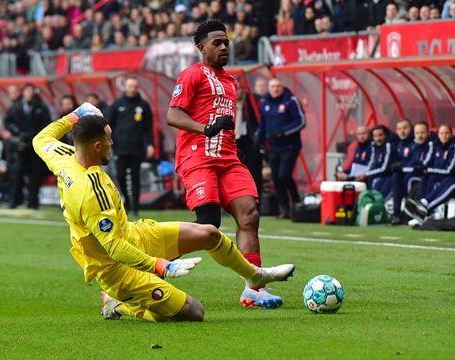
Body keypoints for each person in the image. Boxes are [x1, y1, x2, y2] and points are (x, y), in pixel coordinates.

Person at [32, 102, 295, 321]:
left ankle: (254, 275)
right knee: (194, 312)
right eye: (109, 139)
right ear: (97, 146)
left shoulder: (62, 155)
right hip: (117, 269)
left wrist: (74, 115)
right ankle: (119, 303)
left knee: (210, 234)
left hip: (135, 234)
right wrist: (163, 266)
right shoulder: (90, 191)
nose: (113, 143)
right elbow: (115, 249)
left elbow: (41, 138)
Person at [167, 20, 294, 308]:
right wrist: (206, 128)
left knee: (249, 215)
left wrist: (233, 144)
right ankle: (146, 268)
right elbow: (173, 115)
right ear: (201, 47)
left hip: (228, 158)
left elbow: (225, 120)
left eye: (226, 42)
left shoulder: (230, 81)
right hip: (198, 156)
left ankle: (253, 289)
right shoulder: (192, 75)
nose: (224, 47)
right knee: (208, 225)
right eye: (217, 43)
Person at [255, 77, 306, 219]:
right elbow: (262, 125)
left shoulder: (291, 101)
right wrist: (258, 140)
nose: (275, 89)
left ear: (282, 87)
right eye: (272, 87)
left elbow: (301, 121)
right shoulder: (264, 103)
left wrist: (283, 131)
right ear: (268, 88)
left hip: (290, 146)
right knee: (276, 178)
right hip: (273, 147)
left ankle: (296, 203)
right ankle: (284, 208)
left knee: (284, 175)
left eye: (278, 86)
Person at [106, 76, 155, 218]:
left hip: (137, 148)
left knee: (135, 178)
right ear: (125, 87)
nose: (132, 89)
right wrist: (109, 143)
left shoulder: (143, 105)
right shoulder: (117, 105)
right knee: (120, 176)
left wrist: (150, 144)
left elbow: (149, 127)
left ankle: (135, 207)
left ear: (137, 87)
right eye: (129, 86)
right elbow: (108, 125)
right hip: (120, 148)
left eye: (134, 86)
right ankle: (126, 201)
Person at [4, 83, 50, 209]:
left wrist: (32, 134)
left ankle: (33, 202)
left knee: (35, 175)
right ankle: (15, 200)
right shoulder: (15, 107)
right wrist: (18, 133)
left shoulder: (41, 107)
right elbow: (8, 122)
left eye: (31, 91)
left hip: (35, 146)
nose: (29, 94)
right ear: (23, 93)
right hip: (21, 146)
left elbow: (46, 124)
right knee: (18, 173)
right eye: (27, 91)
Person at [404, 124, 455, 223]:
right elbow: (429, 165)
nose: (444, 136)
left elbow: (449, 170)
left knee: (451, 183)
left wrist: (428, 170)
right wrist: (427, 170)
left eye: (447, 133)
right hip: (444, 176)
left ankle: (424, 210)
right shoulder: (437, 147)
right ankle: (422, 204)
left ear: (451, 134)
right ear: (438, 135)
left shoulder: (453, 147)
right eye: (442, 133)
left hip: (450, 177)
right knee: (428, 177)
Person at [390, 121, 434, 225]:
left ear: (428, 133)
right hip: (414, 174)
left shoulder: (431, 144)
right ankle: (396, 213)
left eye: (422, 132)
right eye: (417, 133)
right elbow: (411, 163)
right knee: (396, 176)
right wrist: (399, 167)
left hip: (427, 176)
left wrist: (405, 168)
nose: (420, 136)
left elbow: (423, 165)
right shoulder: (415, 145)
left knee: (409, 179)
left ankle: (409, 213)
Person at [356, 124, 396, 198]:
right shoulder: (374, 145)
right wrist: (364, 173)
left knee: (373, 181)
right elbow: (371, 163)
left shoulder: (389, 146)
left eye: (380, 135)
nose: (378, 138)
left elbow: (385, 168)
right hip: (374, 174)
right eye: (375, 136)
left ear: (385, 135)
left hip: (387, 175)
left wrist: (366, 174)